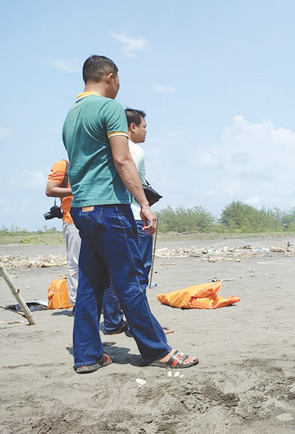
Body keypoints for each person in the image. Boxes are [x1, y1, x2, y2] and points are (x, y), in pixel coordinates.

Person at [62, 55, 197, 373]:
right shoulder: (108, 107)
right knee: (129, 283)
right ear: (109, 77)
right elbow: (123, 160)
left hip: (82, 209)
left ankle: (87, 355)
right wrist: (145, 204)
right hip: (110, 207)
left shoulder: (71, 114)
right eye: (118, 80)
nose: (119, 86)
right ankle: (156, 350)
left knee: (89, 285)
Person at [101, 108, 169, 335]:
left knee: (114, 272)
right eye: (144, 126)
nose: (146, 131)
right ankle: (139, 325)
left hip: (112, 217)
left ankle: (112, 322)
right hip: (134, 216)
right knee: (139, 273)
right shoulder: (134, 151)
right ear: (132, 127)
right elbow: (132, 182)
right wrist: (145, 206)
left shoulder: (105, 149)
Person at [46, 159, 80, 307]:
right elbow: (50, 189)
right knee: (75, 263)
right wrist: (77, 190)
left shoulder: (95, 161)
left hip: (96, 219)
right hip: (72, 221)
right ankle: (77, 303)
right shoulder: (63, 165)